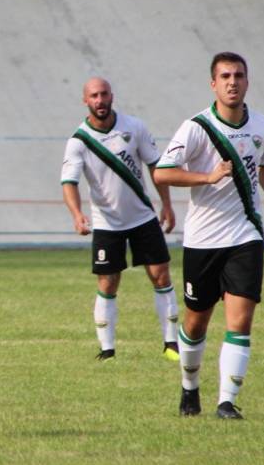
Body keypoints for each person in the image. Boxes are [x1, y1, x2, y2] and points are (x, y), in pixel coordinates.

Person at [154, 52, 264, 420]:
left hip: (245, 235)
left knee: (240, 321)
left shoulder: (261, 126)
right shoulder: (196, 127)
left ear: (247, 81)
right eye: (225, 76)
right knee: (196, 323)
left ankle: (226, 401)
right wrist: (206, 178)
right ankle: (189, 388)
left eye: (239, 75)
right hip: (202, 240)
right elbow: (163, 173)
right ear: (213, 83)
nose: (232, 82)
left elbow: (263, 163)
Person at [61, 78, 179, 361]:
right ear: (85, 101)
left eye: (103, 94)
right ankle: (107, 349)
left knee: (161, 275)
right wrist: (77, 215)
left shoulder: (134, 127)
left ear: (112, 96)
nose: (100, 100)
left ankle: (171, 344)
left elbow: (156, 167)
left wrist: (167, 205)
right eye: (93, 96)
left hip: (142, 218)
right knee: (108, 282)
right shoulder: (78, 141)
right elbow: (69, 182)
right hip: (106, 223)